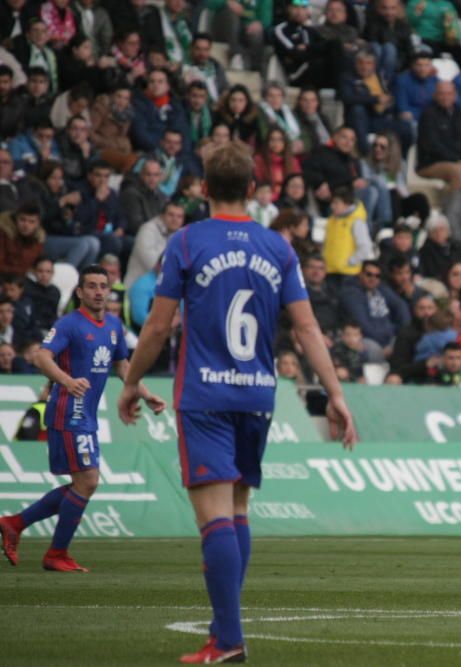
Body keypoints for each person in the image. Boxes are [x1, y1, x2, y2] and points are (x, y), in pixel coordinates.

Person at [116, 142, 357, 663]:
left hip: (204, 393)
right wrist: (334, 393)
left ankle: (227, 638)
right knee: (239, 507)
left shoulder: (185, 242)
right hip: (257, 395)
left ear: (203, 188)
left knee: (214, 517)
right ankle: (224, 625)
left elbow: (158, 325)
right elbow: (307, 326)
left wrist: (132, 381)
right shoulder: (278, 247)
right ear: (252, 189)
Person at [0, 265, 165, 572]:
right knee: (87, 481)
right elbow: (40, 356)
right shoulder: (69, 324)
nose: (99, 291)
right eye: (91, 286)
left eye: (103, 286)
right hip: (67, 411)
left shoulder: (114, 325)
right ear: (79, 292)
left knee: (82, 483)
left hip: (86, 415)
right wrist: (66, 380)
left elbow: (123, 367)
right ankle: (54, 553)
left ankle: (15, 524)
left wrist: (144, 393)